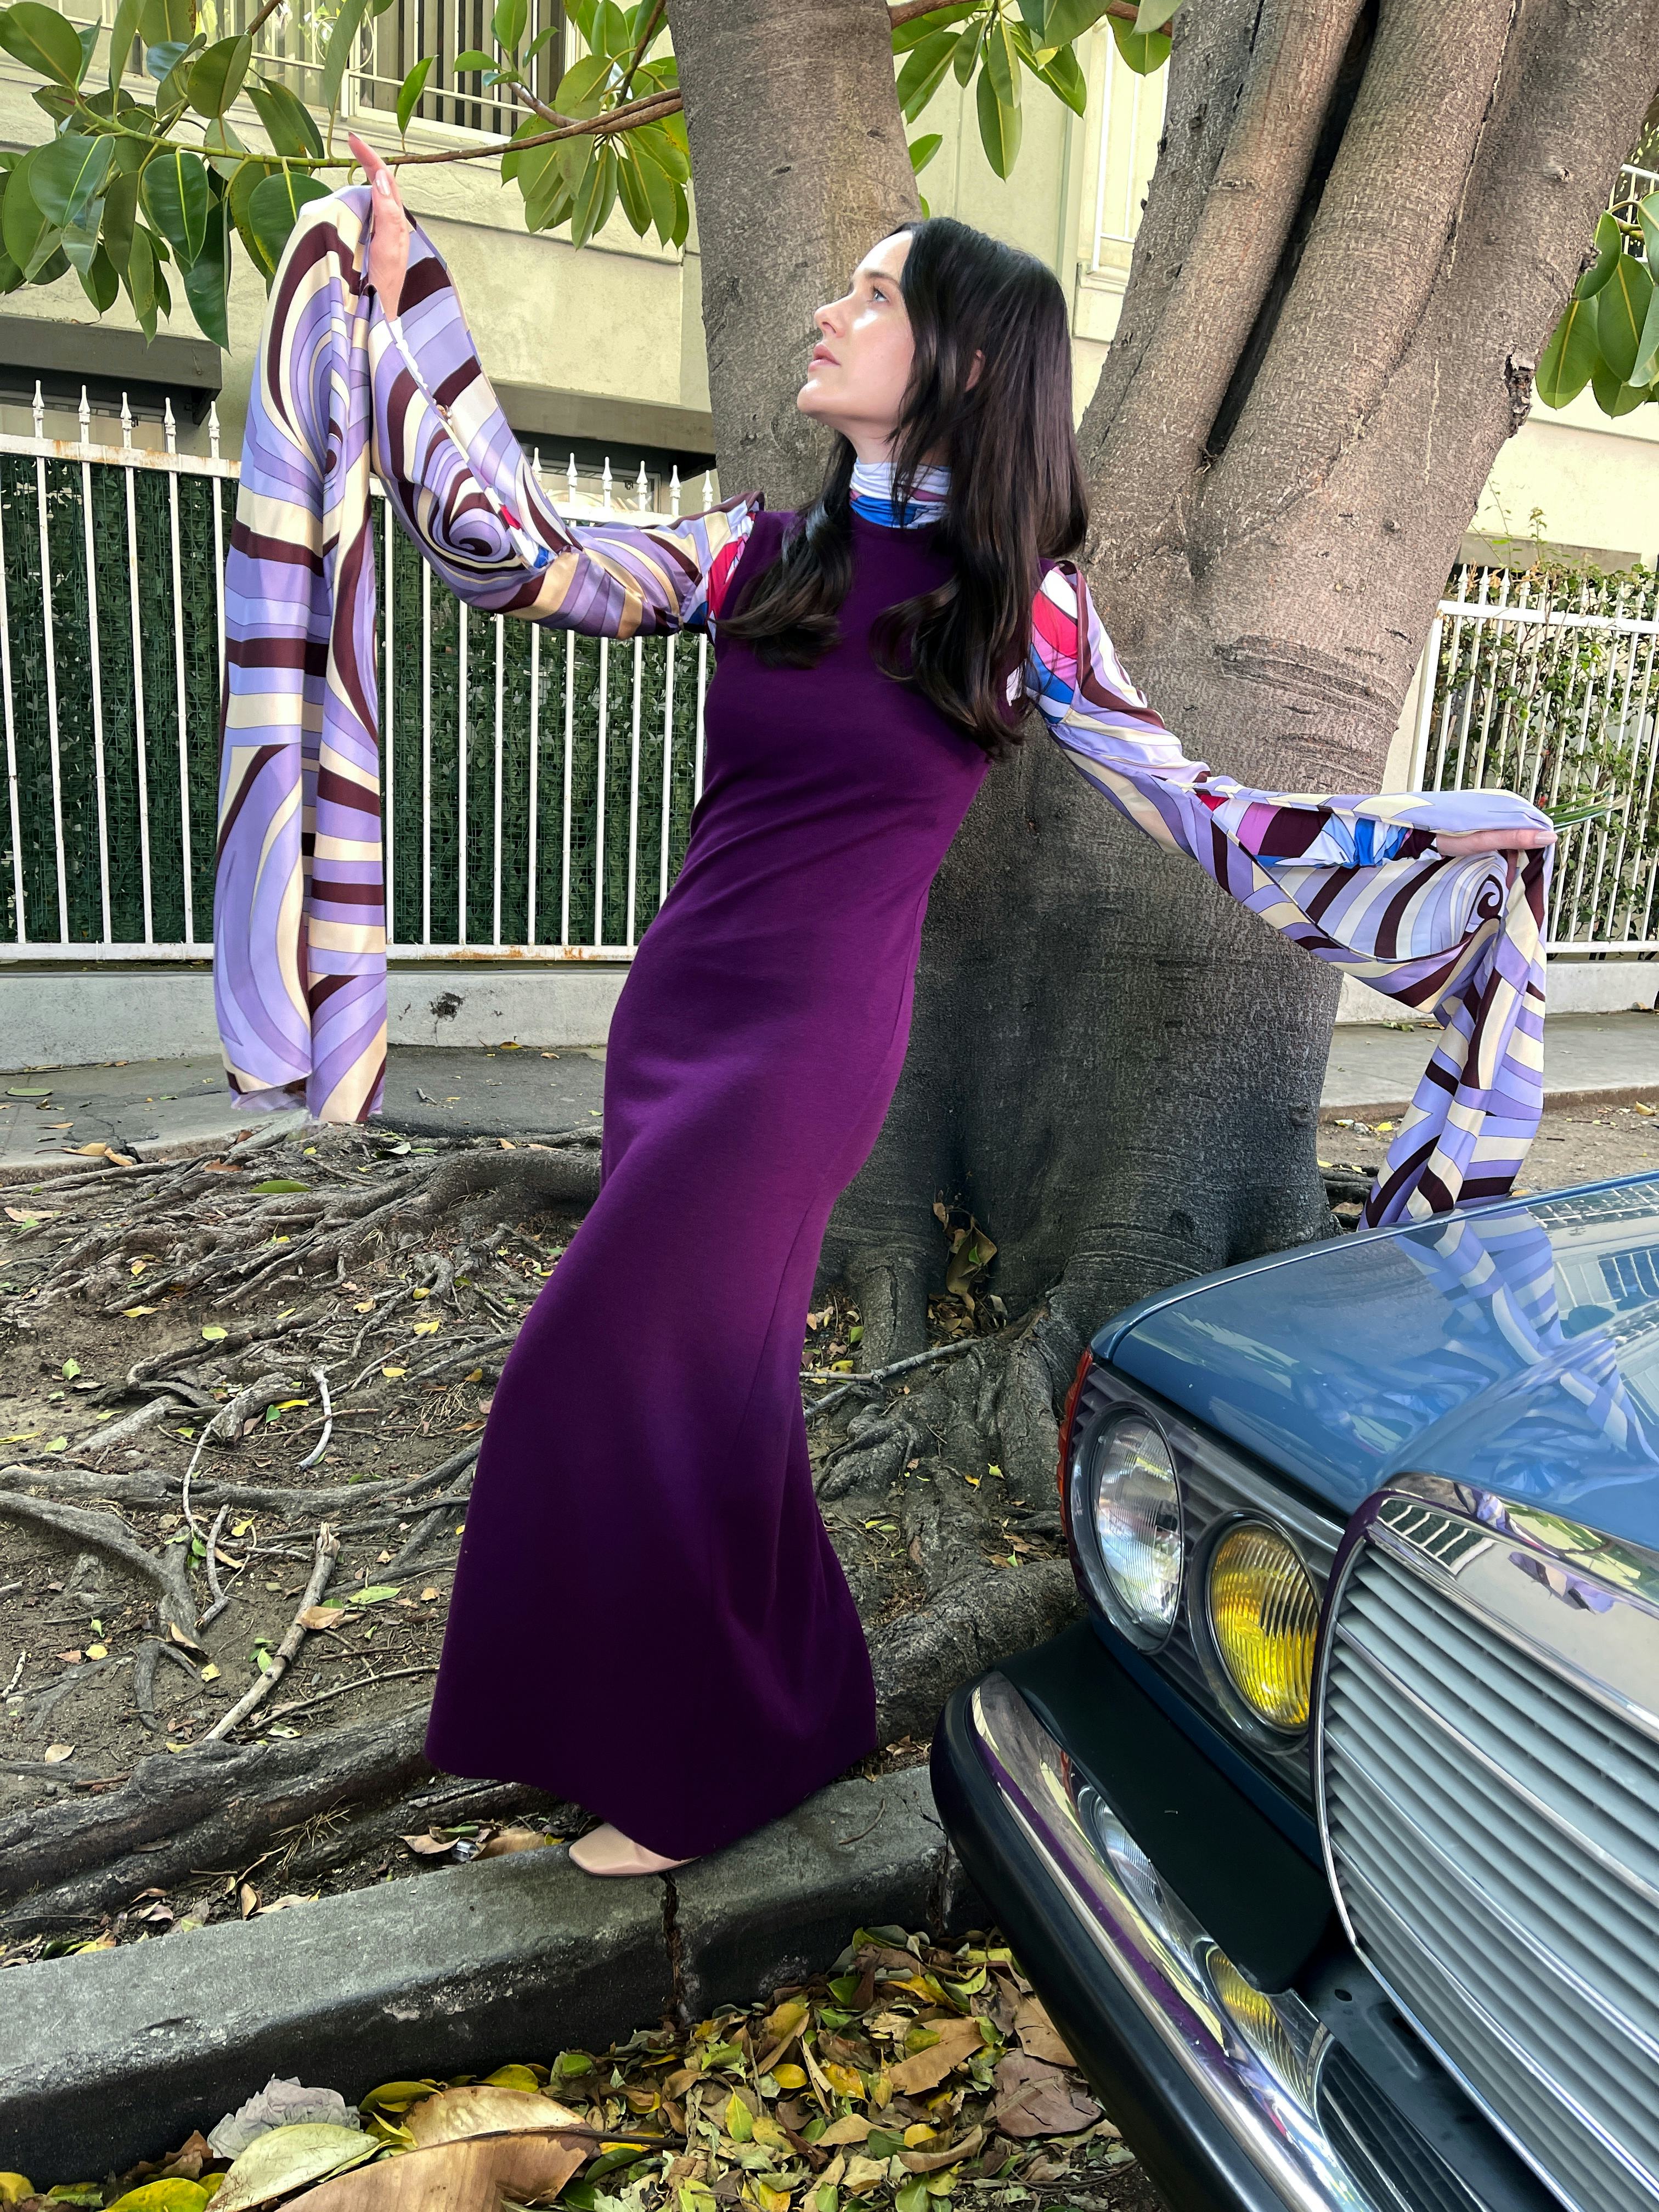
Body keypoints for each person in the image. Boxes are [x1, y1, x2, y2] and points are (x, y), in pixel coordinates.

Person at [281, 140, 1554, 1876]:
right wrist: (403, 307)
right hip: (677, 1018)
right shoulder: (760, 551)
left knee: (606, 1366)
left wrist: (1427, 859)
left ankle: (698, 1769)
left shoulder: (1019, 607)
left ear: (962, 357)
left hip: (802, 1056)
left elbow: (1198, 809)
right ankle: (788, 1710)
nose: (831, 309)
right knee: (724, 1394)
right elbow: (531, 561)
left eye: (874, 294)